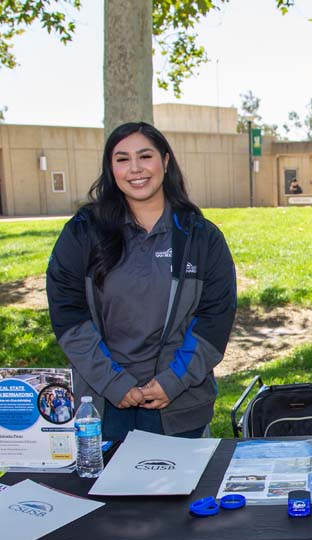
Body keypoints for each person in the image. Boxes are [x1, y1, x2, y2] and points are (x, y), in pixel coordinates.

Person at [46, 122, 237, 439]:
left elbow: (215, 319)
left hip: (178, 406)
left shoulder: (200, 236)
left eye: (145, 156)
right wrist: (112, 382)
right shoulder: (83, 231)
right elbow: (68, 314)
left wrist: (172, 381)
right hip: (103, 407)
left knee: (182, 490)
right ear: (111, 168)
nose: (135, 169)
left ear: (164, 161)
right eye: (122, 159)